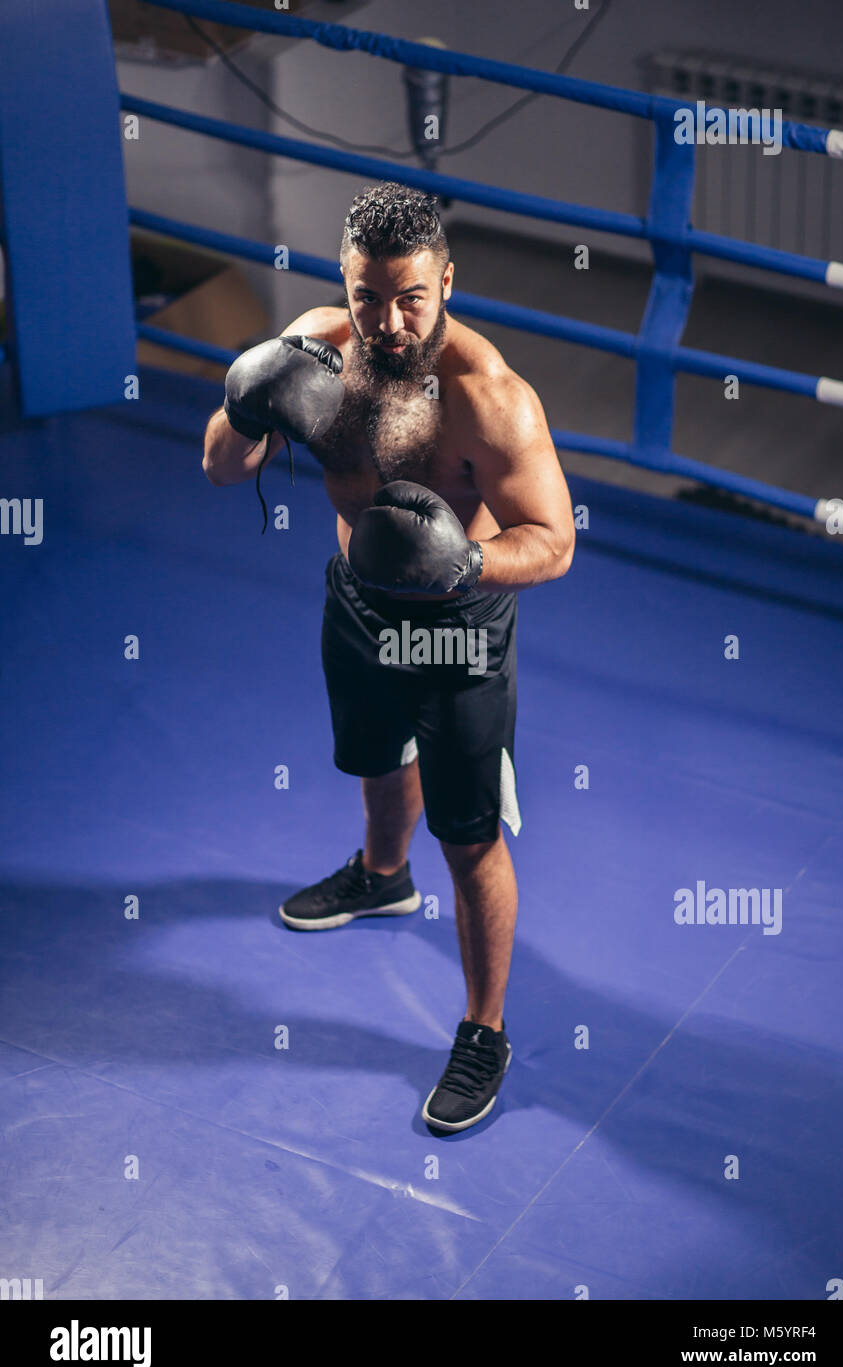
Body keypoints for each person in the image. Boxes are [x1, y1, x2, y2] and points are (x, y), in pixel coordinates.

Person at [202, 183, 575, 1131]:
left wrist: (469, 561)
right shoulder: (320, 348)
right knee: (373, 759)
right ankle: (380, 875)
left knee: (471, 833)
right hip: (359, 605)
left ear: (446, 281)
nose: (389, 319)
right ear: (346, 281)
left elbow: (556, 540)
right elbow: (219, 468)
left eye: (411, 297)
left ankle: (483, 1028)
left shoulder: (492, 400)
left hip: (459, 628)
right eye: (370, 295)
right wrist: (246, 408)